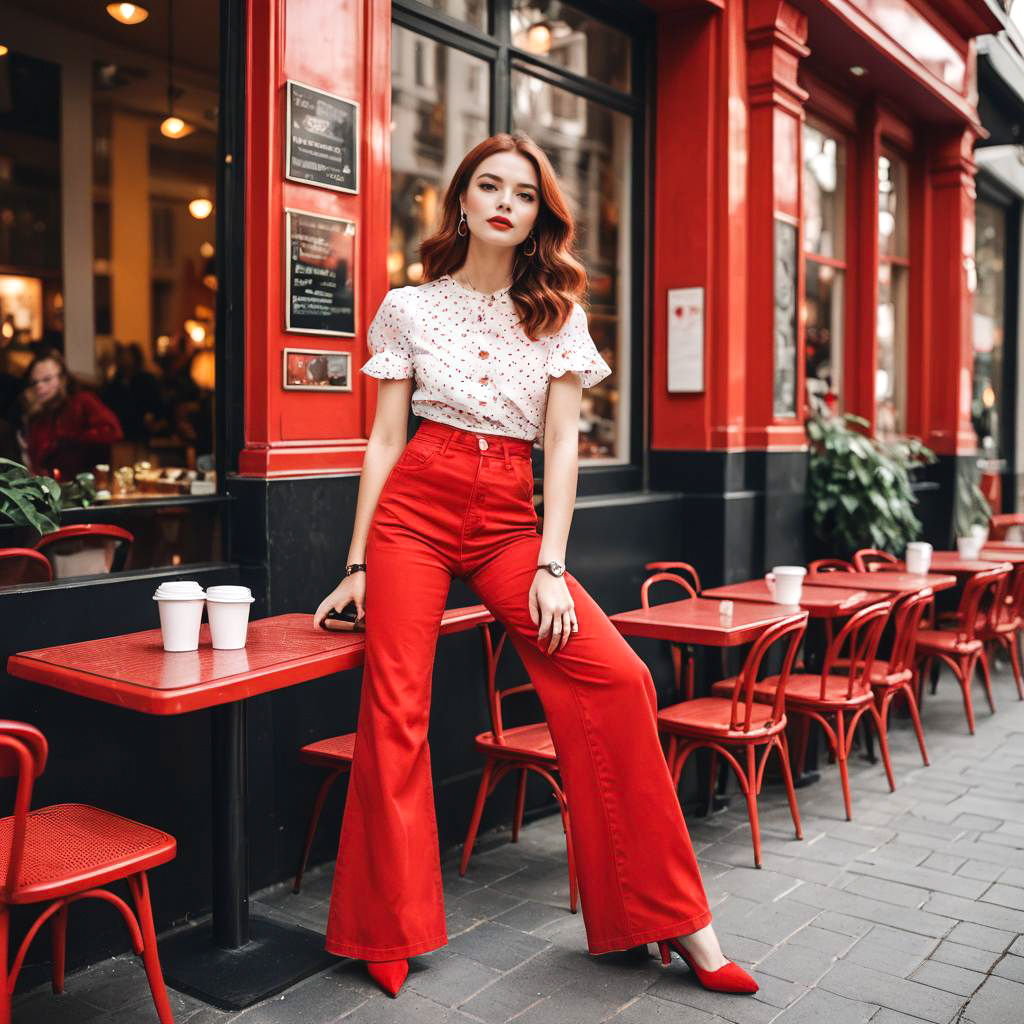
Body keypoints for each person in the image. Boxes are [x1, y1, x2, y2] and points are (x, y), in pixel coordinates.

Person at [312, 132, 758, 1000]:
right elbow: (385, 439)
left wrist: (554, 564)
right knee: (396, 704)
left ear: (537, 215)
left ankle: (671, 920)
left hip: (512, 515)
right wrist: (358, 561)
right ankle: (383, 927)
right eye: (489, 185)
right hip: (417, 505)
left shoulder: (557, 311)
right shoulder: (408, 306)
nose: (505, 202)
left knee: (619, 678)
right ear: (463, 199)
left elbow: (562, 444)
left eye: (522, 192)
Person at [21, 350, 123, 480]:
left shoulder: (82, 402)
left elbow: (113, 431)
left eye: (47, 379)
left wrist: (71, 439)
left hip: (85, 489)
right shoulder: (37, 417)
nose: (40, 386)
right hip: (51, 491)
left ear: (62, 378)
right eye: (35, 382)